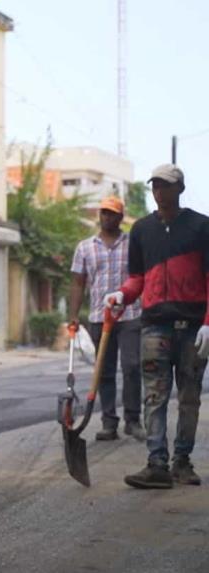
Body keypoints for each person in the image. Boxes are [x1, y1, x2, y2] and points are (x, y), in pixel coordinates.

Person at [103, 164, 209, 489]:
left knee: (189, 398)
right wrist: (122, 294)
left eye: (167, 185)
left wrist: (208, 322)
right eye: (156, 186)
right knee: (155, 397)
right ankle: (156, 463)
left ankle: (182, 462)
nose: (160, 191)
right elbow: (138, 277)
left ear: (181, 189)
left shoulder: (201, 227)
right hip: (154, 328)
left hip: (193, 328)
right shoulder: (142, 230)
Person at [68, 196, 146, 441]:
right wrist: (73, 316)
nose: (107, 217)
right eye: (103, 212)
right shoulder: (84, 247)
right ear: (99, 216)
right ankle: (109, 422)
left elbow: (141, 277)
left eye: (112, 213)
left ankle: (132, 420)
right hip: (98, 317)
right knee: (104, 371)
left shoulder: (132, 244)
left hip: (130, 314)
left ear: (121, 218)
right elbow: (78, 284)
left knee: (132, 366)